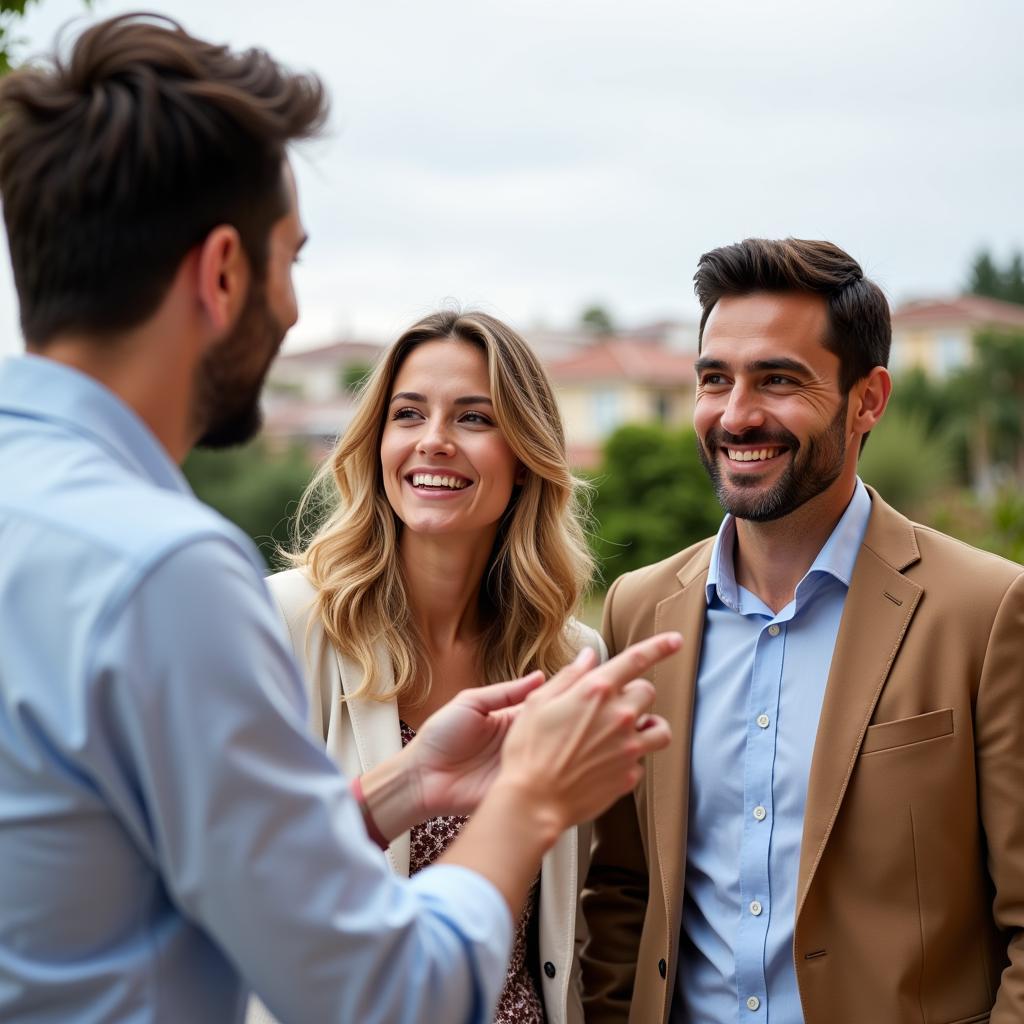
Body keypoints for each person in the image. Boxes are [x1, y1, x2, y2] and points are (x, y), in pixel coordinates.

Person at [0, 15, 679, 1023]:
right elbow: (383, 991)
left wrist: (404, 785)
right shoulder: (167, 573)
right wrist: (532, 797)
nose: (293, 309)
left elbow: (170, 874)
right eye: (291, 259)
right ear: (223, 271)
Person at [580, 237, 1024, 1024]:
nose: (737, 413)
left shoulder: (987, 612)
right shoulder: (637, 610)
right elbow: (623, 892)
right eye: (714, 379)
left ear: (868, 399)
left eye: (778, 381)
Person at [248, 310, 603, 1024]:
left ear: (527, 452)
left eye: (474, 417)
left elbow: (581, 916)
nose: (434, 441)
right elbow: (234, 874)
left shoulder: (574, 659)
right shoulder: (282, 623)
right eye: (408, 414)